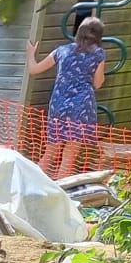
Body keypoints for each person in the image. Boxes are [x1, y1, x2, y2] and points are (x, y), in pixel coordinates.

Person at [27, 17, 108, 178]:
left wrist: (30, 54)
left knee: (51, 151)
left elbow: (34, 69)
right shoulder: (98, 54)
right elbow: (98, 83)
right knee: (70, 154)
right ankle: (59, 190)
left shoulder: (61, 51)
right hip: (81, 107)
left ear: (79, 32)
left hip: (58, 105)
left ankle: (30, 181)